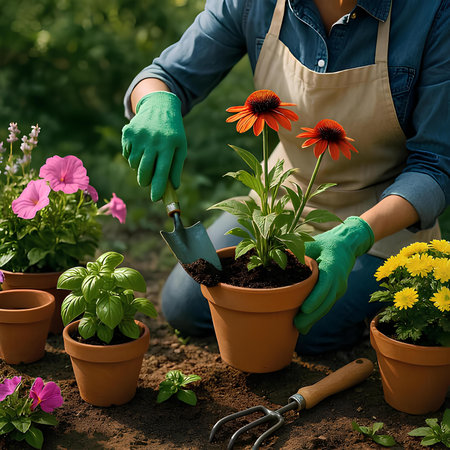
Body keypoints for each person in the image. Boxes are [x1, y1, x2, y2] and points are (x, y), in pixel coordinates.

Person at [121, 0, 450, 354]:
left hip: (382, 216)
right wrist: (156, 104)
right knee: (187, 303)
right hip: (283, 194)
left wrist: (357, 235)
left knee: (308, 326)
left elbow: (436, 164)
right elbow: (166, 75)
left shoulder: (433, 13)